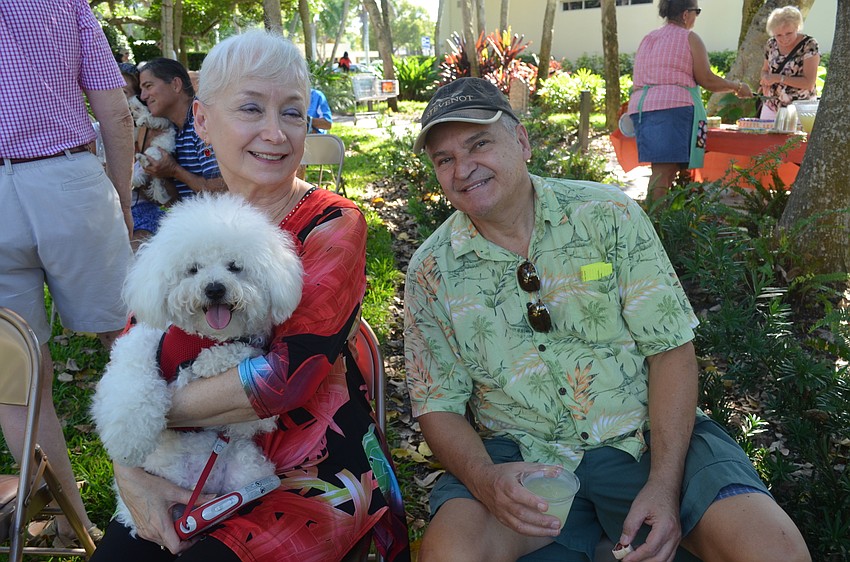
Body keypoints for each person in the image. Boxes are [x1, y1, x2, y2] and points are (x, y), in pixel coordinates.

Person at [403, 77, 811, 562]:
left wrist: (664, 484)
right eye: (443, 159)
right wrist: (484, 479)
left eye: (479, 144)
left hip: (643, 437)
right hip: (524, 458)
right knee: (449, 553)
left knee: (774, 549)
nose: (463, 169)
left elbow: (671, 351)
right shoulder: (432, 271)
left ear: (522, 141)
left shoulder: (607, 215)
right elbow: (438, 404)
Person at [90, 30, 410, 562]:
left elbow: (284, 380)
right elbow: (139, 337)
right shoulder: (186, 227)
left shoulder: (334, 224)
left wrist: (144, 413)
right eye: (251, 108)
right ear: (202, 121)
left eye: (291, 112)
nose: (275, 132)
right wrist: (129, 468)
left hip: (311, 466)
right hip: (180, 461)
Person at [0, 0, 135, 547]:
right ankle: (172, 497)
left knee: (16, 374)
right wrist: (122, 202)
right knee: (131, 342)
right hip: (69, 180)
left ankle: (68, 520)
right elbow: (116, 113)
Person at [627, 0, 752, 201]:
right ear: (686, 14)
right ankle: (654, 224)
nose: (696, 17)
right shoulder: (689, 38)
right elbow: (707, 79)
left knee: (662, 170)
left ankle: (660, 218)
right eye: (697, 11)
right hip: (672, 108)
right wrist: (737, 86)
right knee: (663, 171)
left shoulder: (649, 38)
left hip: (642, 108)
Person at [138, 57, 225, 198]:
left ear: (176, 85)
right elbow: (174, 201)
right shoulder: (175, 131)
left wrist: (174, 170)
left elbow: (221, 189)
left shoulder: (203, 122)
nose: (143, 96)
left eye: (148, 86)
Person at [119, 62, 179, 250]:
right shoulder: (96, 134)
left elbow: (164, 198)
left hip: (143, 212)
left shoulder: (150, 129)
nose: (119, 100)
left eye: (125, 93)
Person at [758, 6, 820, 120]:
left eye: (789, 33)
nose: (784, 39)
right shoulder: (771, 44)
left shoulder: (809, 45)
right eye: (779, 35)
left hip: (799, 109)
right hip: (771, 105)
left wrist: (778, 78)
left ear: (797, 27)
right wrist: (765, 79)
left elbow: (809, 83)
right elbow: (765, 70)